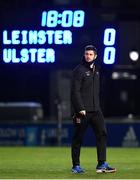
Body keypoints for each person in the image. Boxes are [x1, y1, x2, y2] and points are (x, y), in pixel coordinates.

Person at [71, 45, 116, 173]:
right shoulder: (78, 70)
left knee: (102, 134)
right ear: (84, 55)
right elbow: (75, 92)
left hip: (96, 110)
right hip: (83, 111)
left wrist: (98, 106)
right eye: (86, 54)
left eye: (91, 54)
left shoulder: (96, 69)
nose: (88, 56)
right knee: (78, 138)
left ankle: (101, 164)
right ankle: (75, 166)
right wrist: (80, 108)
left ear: (95, 56)